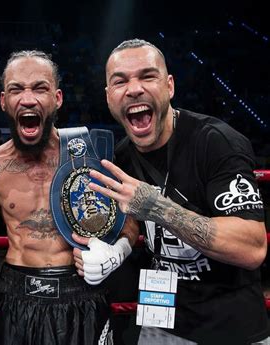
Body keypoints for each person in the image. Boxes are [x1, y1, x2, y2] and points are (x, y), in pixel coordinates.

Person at [77, 38, 270, 344]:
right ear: (109, 96)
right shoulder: (123, 155)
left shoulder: (215, 142)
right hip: (160, 319)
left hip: (230, 327)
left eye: (147, 76)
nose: (134, 88)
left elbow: (252, 247)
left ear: (169, 86)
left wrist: (156, 207)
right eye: (120, 81)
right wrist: (117, 251)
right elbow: (131, 220)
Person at [0, 50, 138, 345]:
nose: (28, 98)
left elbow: (129, 226)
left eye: (40, 88)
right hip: (17, 301)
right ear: (4, 102)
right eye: (16, 89)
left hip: (84, 295)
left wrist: (117, 253)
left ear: (57, 99)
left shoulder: (91, 155)